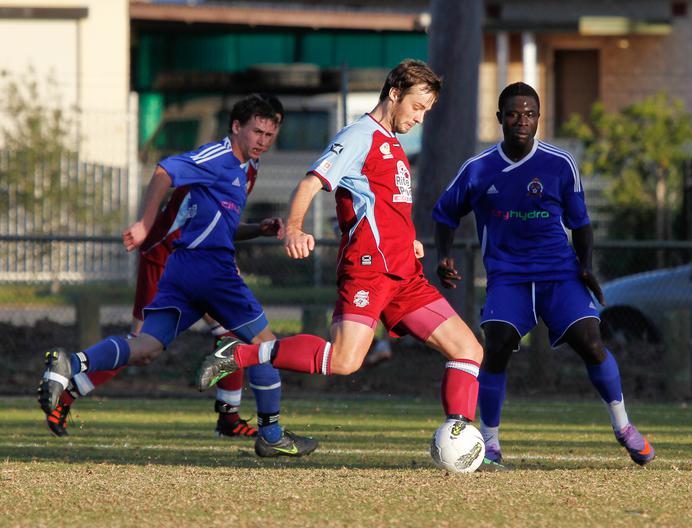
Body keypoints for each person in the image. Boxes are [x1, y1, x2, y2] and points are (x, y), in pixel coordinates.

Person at [196, 60, 488, 449]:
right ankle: (243, 354)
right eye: (417, 107)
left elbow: (383, 206)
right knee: (346, 361)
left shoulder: (392, 143)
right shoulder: (359, 136)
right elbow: (311, 181)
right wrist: (296, 228)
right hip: (369, 270)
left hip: (404, 274)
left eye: (426, 112)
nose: (420, 118)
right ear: (395, 94)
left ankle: (460, 441)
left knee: (468, 349)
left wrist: (409, 238)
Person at [38, 94, 318, 457]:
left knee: (148, 344)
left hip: (182, 269)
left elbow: (220, 224)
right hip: (201, 267)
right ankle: (270, 433)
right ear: (236, 127)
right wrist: (143, 224)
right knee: (263, 344)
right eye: (257, 131)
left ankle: (71, 364)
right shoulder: (218, 156)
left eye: (270, 133)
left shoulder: (248, 169)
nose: (263, 140)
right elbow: (164, 170)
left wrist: (258, 229)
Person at [432, 81, 655, 466]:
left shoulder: (560, 164)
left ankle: (624, 427)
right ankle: (490, 442)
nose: (523, 120)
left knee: (591, 341)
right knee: (496, 345)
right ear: (500, 118)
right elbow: (444, 213)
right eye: (514, 114)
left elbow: (581, 224)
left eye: (530, 114)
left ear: (539, 118)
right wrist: (445, 256)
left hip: (559, 273)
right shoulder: (478, 168)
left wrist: (585, 266)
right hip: (507, 277)